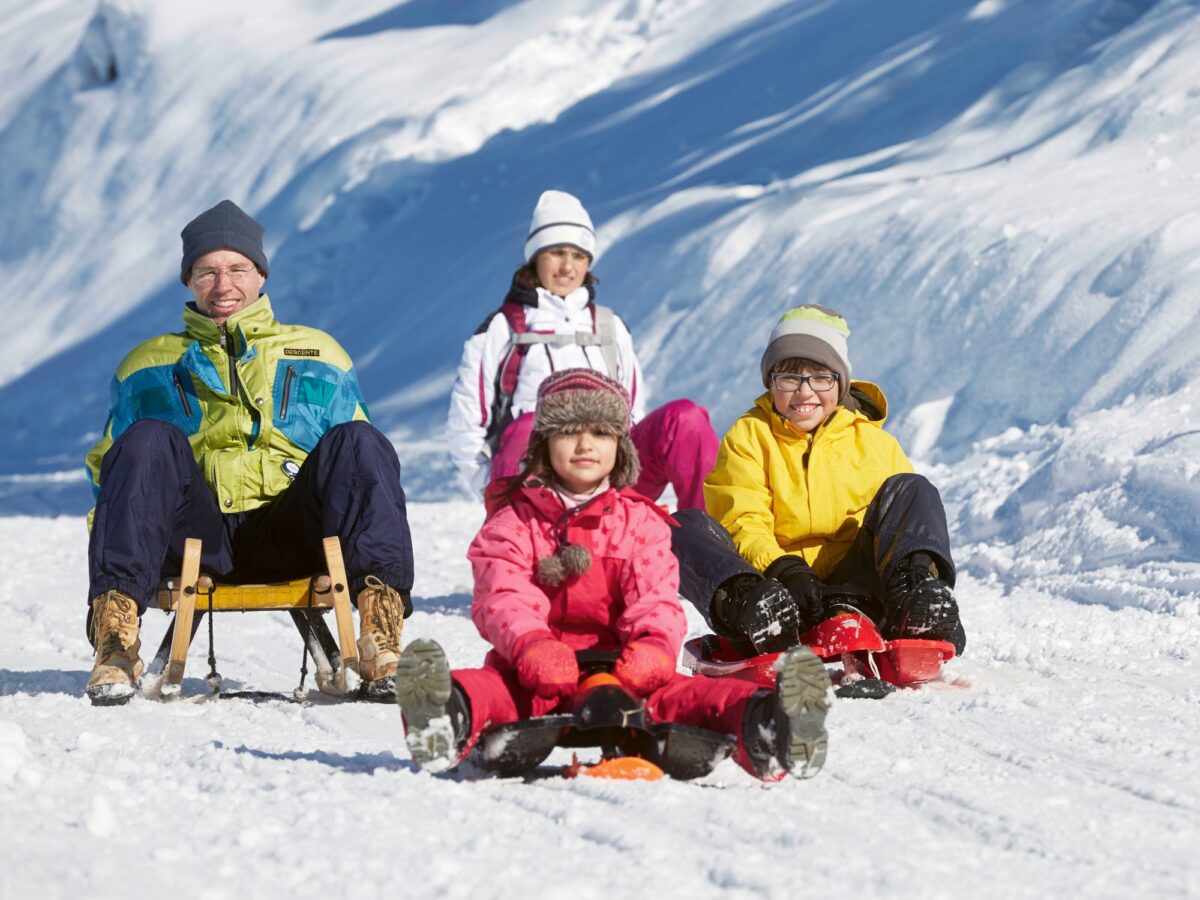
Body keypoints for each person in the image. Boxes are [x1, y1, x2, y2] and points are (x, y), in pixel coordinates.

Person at [397, 369, 832, 781]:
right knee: (497, 693)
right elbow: (502, 595)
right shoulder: (514, 523)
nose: (586, 445)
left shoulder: (639, 523)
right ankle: (443, 713)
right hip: (536, 672)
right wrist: (531, 644)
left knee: (685, 697)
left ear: (620, 446)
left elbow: (656, 598)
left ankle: (773, 724)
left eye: (601, 433)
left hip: (626, 672)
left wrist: (653, 648)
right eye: (570, 431)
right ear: (545, 443)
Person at [83, 199, 414, 704]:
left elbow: (366, 480)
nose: (223, 286)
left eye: (237, 268)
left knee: (360, 441)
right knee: (147, 438)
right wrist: (122, 548)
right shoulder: (146, 365)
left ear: (260, 274)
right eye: (206, 272)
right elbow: (114, 473)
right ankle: (115, 641)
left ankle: (381, 636)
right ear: (188, 281)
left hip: (294, 528)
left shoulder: (320, 353)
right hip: (198, 533)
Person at [671, 304, 966, 658]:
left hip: (861, 593)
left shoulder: (875, 442)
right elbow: (742, 518)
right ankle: (752, 610)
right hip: (779, 592)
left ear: (840, 383)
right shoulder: (748, 436)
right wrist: (783, 569)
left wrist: (918, 574)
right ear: (771, 382)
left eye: (821, 377)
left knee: (913, 489)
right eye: (790, 377)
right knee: (681, 526)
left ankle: (918, 602)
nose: (805, 392)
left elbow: (903, 525)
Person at [446, 189, 717, 508]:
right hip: (534, 491)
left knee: (684, 418)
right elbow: (466, 429)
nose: (567, 266)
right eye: (556, 252)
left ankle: (708, 541)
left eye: (578, 256)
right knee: (529, 423)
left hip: (612, 479)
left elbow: (631, 414)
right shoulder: (503, 329)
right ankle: (520, 538)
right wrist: (496, 494)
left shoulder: (609, 327)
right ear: (536, 257)